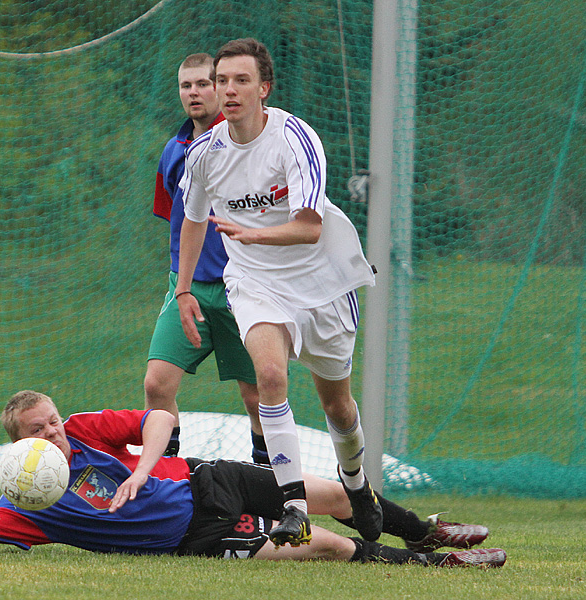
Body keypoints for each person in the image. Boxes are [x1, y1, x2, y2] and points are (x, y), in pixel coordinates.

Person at [0, 390, 506, 568]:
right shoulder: (27, 502)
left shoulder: (87, 431)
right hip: (193, 537)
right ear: (20, 447)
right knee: (317, 544)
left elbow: (162, 417)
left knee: (327, 492)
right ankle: (433, 568)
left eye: (55, 422)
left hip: (205, 482)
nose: (55, 434)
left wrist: (140, 471)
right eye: (39, 431)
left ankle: (423, 532)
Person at [175, 38, 379, 547]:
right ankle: (294, 507)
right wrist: (182, 289)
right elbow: (194, 220)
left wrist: (254, 233)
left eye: (241, 80)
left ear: (264, 88)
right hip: (255, 282)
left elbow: (309, 227)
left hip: (321, 284)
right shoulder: (203, 153)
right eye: (222, 80)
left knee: (338, 406)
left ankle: (357, 486)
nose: (229, 90)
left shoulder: (295, 138)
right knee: (269, 375)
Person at [147, 53, 267, 464]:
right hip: (187, 288)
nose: (194, 92)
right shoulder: (174, 150)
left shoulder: (243, 143)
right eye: (186, 85)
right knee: (157, 384)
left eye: (203, 83)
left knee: (258, 397)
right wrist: (181, 282)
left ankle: (269, 491)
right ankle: (165, 482)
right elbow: (176, 218)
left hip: (243, 287)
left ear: (221, 88)